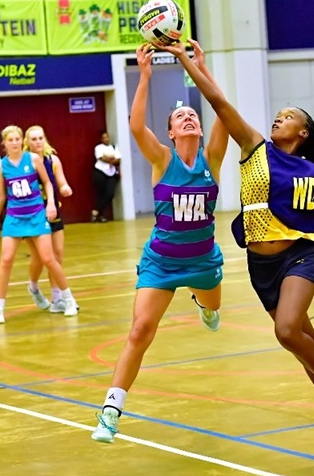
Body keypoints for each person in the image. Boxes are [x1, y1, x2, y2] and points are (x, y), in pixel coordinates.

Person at [171, 38, 314, 457]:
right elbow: (218, 102)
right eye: (278, 115)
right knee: (305, 348)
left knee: (286, 331)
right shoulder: (254, 148)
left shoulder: (313, 170)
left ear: (303, 132)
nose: (278, 118)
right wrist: (190, 63)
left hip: (300, 256)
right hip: (260, 266)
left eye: (288, 116)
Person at [90, 43, 229, 444]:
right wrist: (144, 75)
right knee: (139, 332)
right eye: (180, 117)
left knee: (214, 307)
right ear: (170, 132)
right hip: (162, 264)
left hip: (202, 261)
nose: (188, 117)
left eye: (192, 115)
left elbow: (222, 109)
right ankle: (110, 412)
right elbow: (136, 127)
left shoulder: (212, 158)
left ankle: (204, 304)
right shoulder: (163, 160)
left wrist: (202, 69)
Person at [0, 125, 79, 322]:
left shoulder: (33, 159)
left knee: (49, 258)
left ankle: (68, 299)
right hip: (14, 217)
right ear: (4, 143)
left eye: (17, 139)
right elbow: (1, 195)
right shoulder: (1, 166)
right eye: (10, 140)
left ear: (21, 141)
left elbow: (47, 183)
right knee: (6, 260)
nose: (14, 143)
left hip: (36, 215)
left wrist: (51, 203)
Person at [24, 125, 74, 313]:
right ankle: (33, 286)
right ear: (27, 142)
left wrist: (65, 188)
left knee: (57, 255)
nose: (38, 142)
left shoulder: (52, 160)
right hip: (32, 213)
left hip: (52, 210)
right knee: (40, 258)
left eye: (40, 138)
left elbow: (61, 182)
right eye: (34, 139)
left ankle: (56, 299)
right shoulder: (24, 162)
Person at [91, 131, 120, 222]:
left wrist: (109, 159)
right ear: (101, 139)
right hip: (100, 172)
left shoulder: (114, 147)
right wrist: (111, 159)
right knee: (101, 194)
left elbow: (118, 159)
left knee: (110, 193)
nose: (106, 139)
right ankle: (101, 215)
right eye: (104, 138)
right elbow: (101, 158)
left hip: (111, 173)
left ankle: (96, 211)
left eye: (107, 137)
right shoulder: (98, 148)